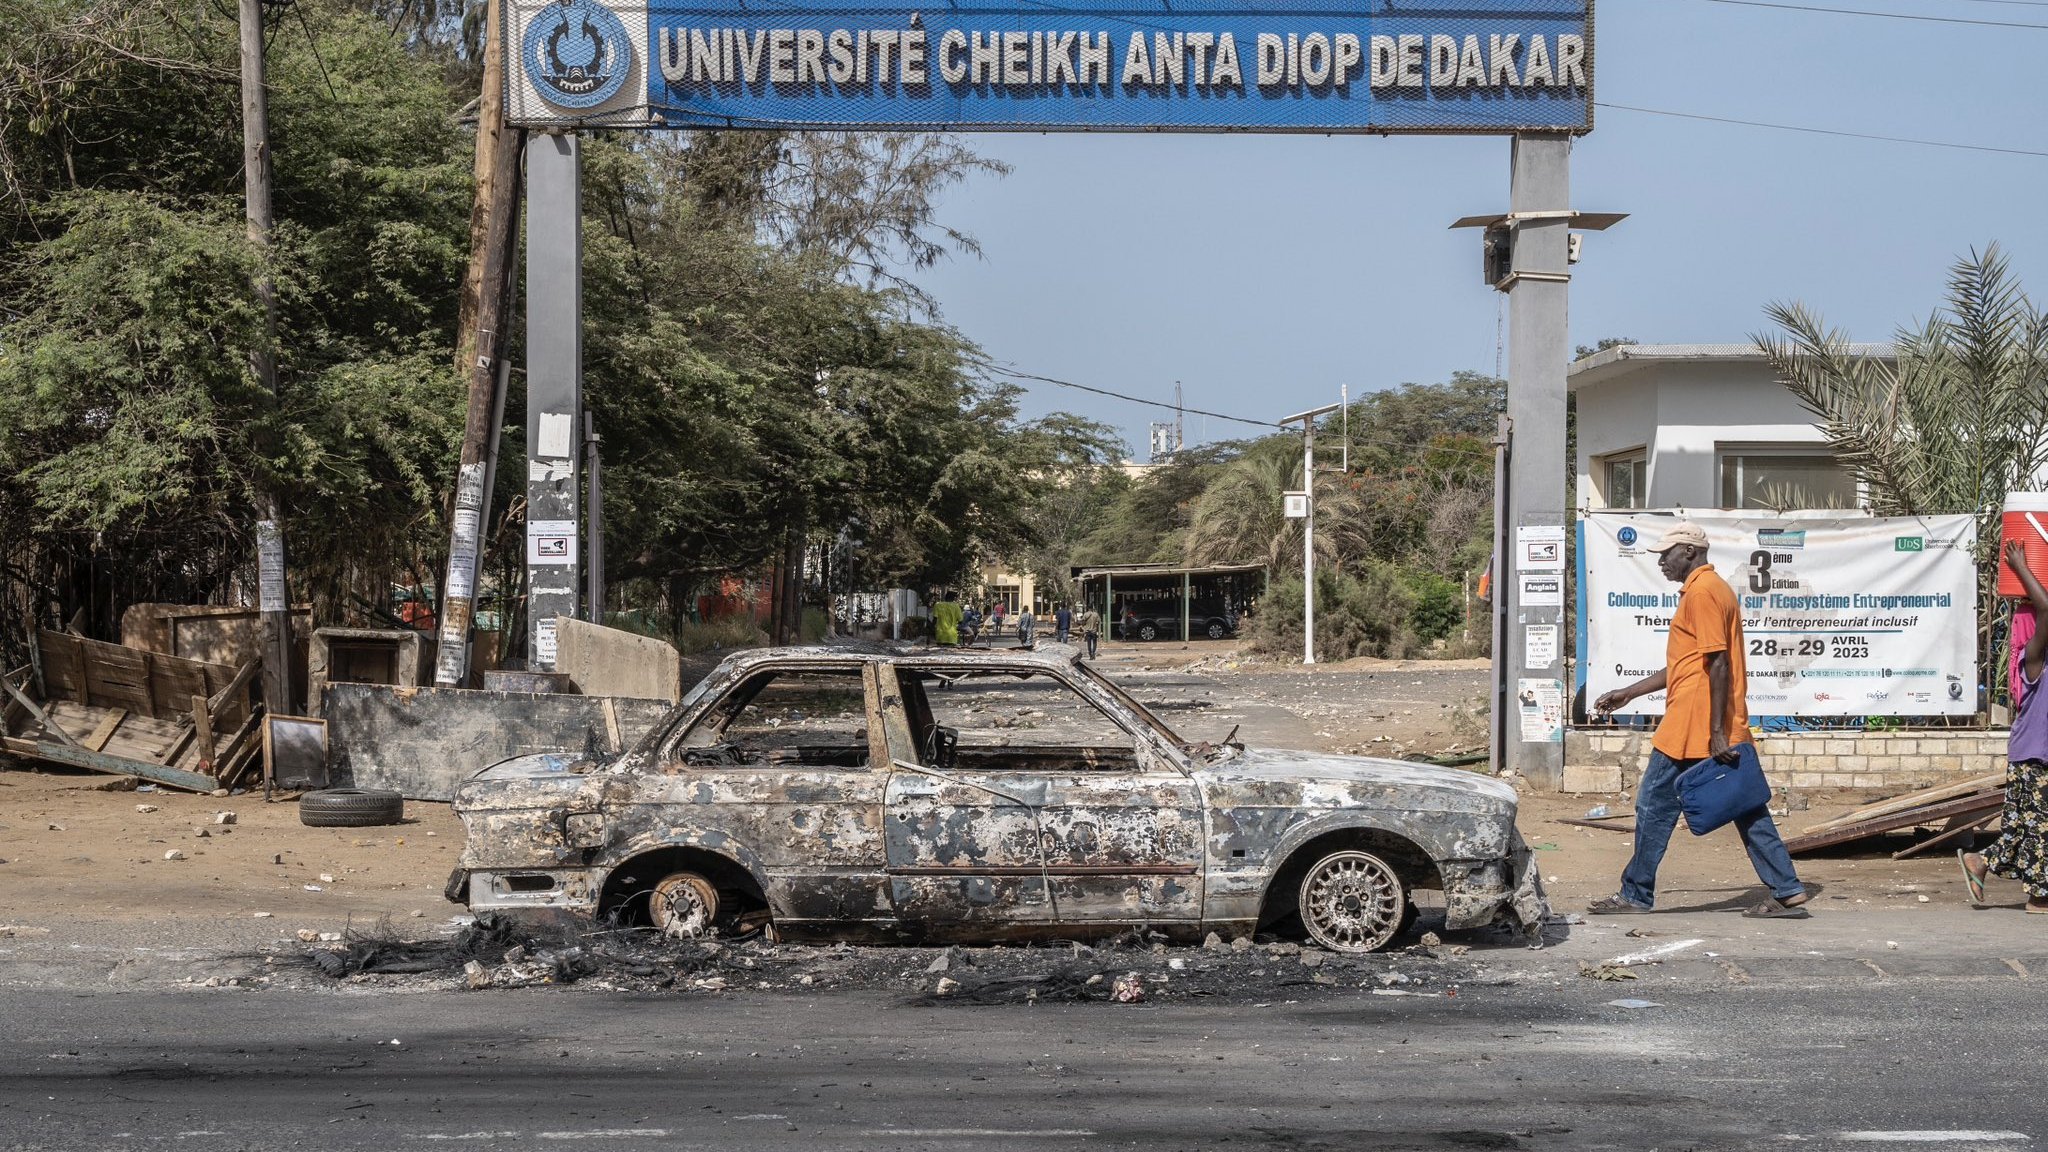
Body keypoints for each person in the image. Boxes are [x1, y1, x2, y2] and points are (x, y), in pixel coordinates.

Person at [1588, 521, 1809, 919]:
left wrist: (1716, 733)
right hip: (1707, 723)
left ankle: (1635, 894)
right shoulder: (1708, 590)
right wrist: (1630, 692)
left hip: (1693, 726)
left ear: (1689, 551)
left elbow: (1719, 662)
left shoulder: (1704, 593)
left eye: (1665, 554)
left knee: (1654, 806)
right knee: (1745, 806)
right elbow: (1687, 665)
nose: (1661, 562)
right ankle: (1787, 889)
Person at [1960, 541, 2048, 913]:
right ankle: (2040, 896)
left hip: (2034, 755)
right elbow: (2046, 607)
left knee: (2021, 829)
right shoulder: (2034, 662)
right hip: (2034, 757)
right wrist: (2021, 565)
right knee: (2038, 830)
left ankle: (1982, 863)